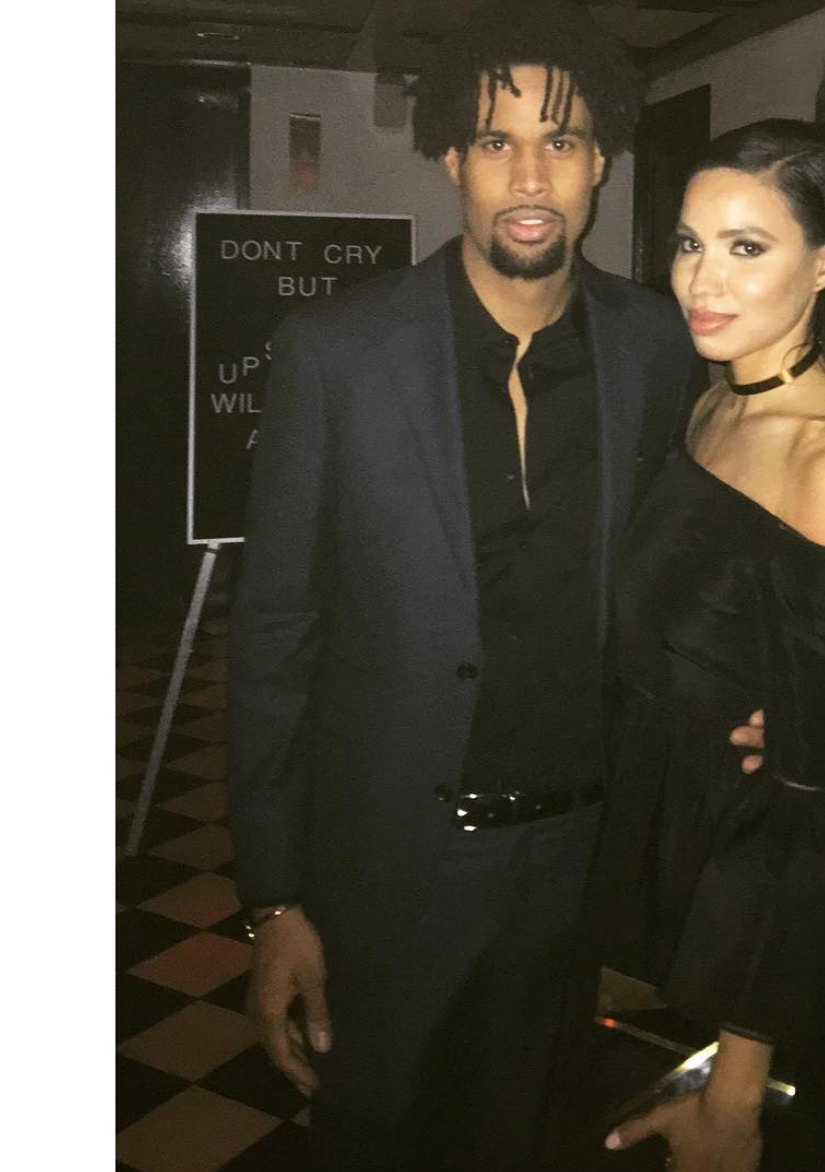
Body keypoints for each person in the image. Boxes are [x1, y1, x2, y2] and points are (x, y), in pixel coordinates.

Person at [226, 3, 762, 1168]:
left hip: (581, 862)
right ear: (450, 159)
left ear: (600, 161)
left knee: (537, 1138)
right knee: (375, 1136)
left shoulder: (658, 346)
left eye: (560, 141)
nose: (529, 176)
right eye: (495, 141)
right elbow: (274, 634)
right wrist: (274, 898)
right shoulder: (338, 350)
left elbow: (693, 564)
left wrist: (749, 695)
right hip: (391, 856)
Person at [593, 119, 825, 1171]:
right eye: (689, 243)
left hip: (747, 915)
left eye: (747, 247)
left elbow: (798, 802)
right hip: (662, 844)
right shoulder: (715, 407)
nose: (702, 279)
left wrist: (734, 1093)